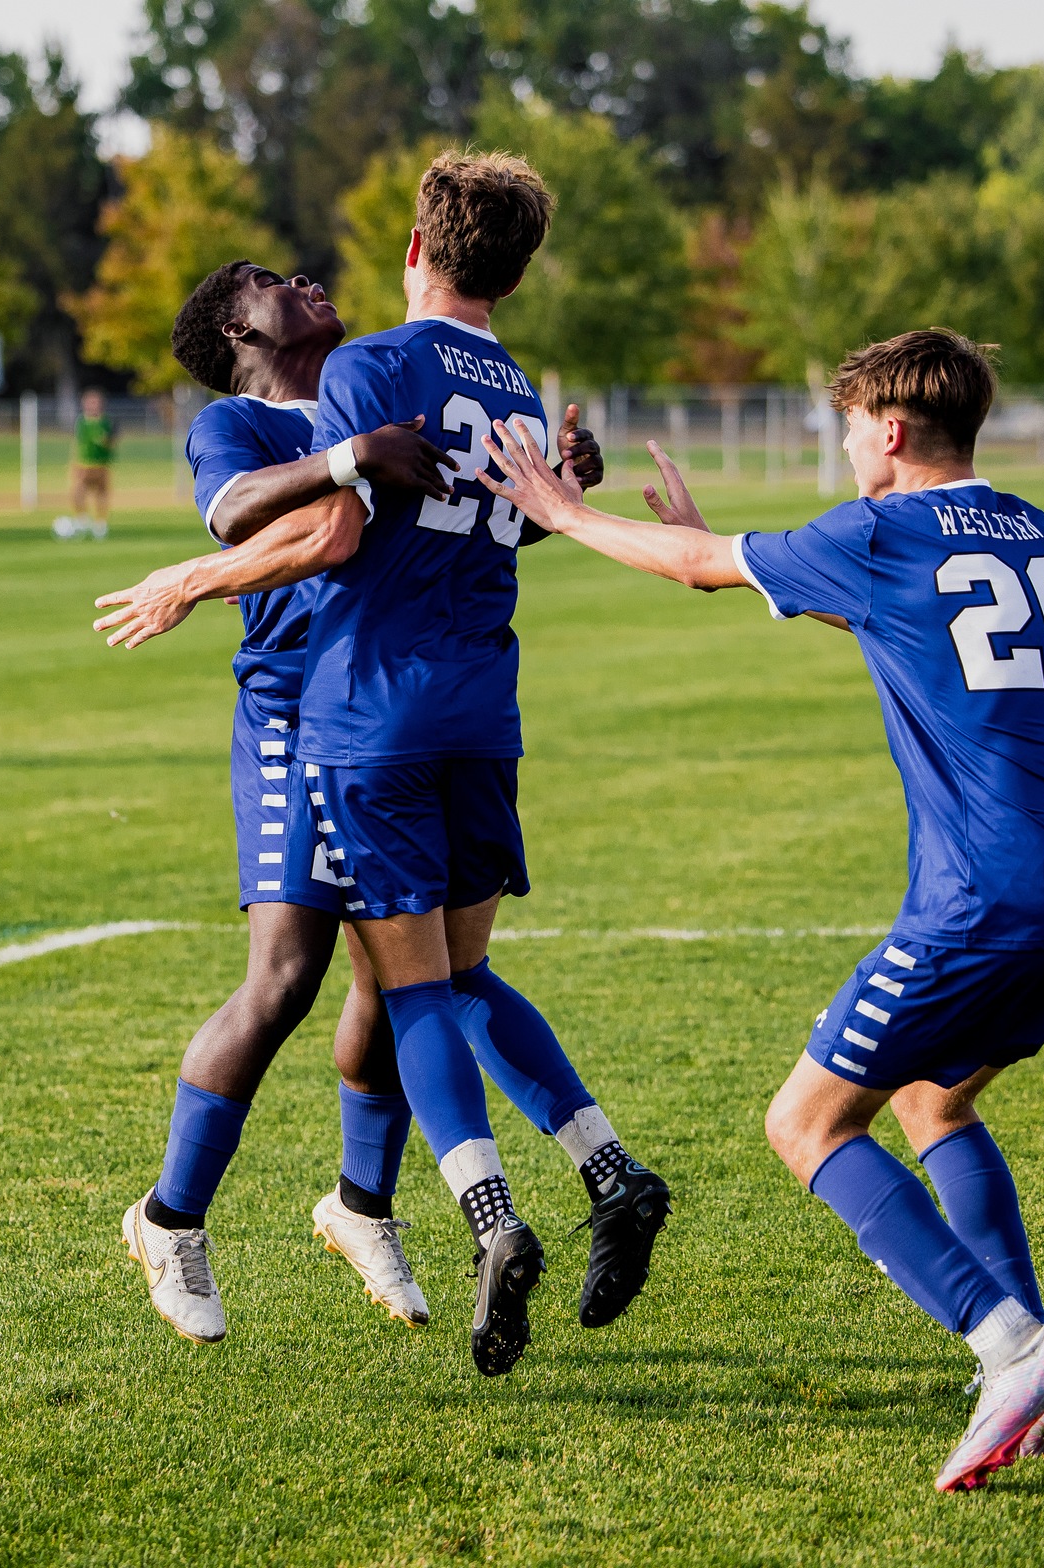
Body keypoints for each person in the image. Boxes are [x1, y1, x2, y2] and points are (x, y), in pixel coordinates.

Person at [476, 329, 1044, 1490]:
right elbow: (896, 620)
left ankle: (1012, 1347)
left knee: (808, 1123)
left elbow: (704, 569)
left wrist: (563, 510)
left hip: (985, 893)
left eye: (845, 427)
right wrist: (719, 547)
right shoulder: (1026, 521)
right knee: (934, 1099)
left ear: (888, 431)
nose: (841, 447)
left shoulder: (880, 529)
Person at [93, 156, 673, 1379]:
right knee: (294, 972)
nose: (302, 277)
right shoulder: (243, 420)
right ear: (234, 332)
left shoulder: (385, 384)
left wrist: (549, 492)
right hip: (298, 718)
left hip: (384, 710)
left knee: (394, 977)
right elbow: (258, 508)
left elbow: (429, 533)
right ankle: (173, 1218)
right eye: (268, 281)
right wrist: (347, 461)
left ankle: (367, 1204)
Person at [71, 390, 118, 526]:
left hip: (101, 464)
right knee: (78, 492)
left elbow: (110, 443)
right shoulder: (81, 422)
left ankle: (100, 522)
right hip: (84, 464)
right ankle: (82, 519)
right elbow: (77, 443)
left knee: (101, 493)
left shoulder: (105, 422)